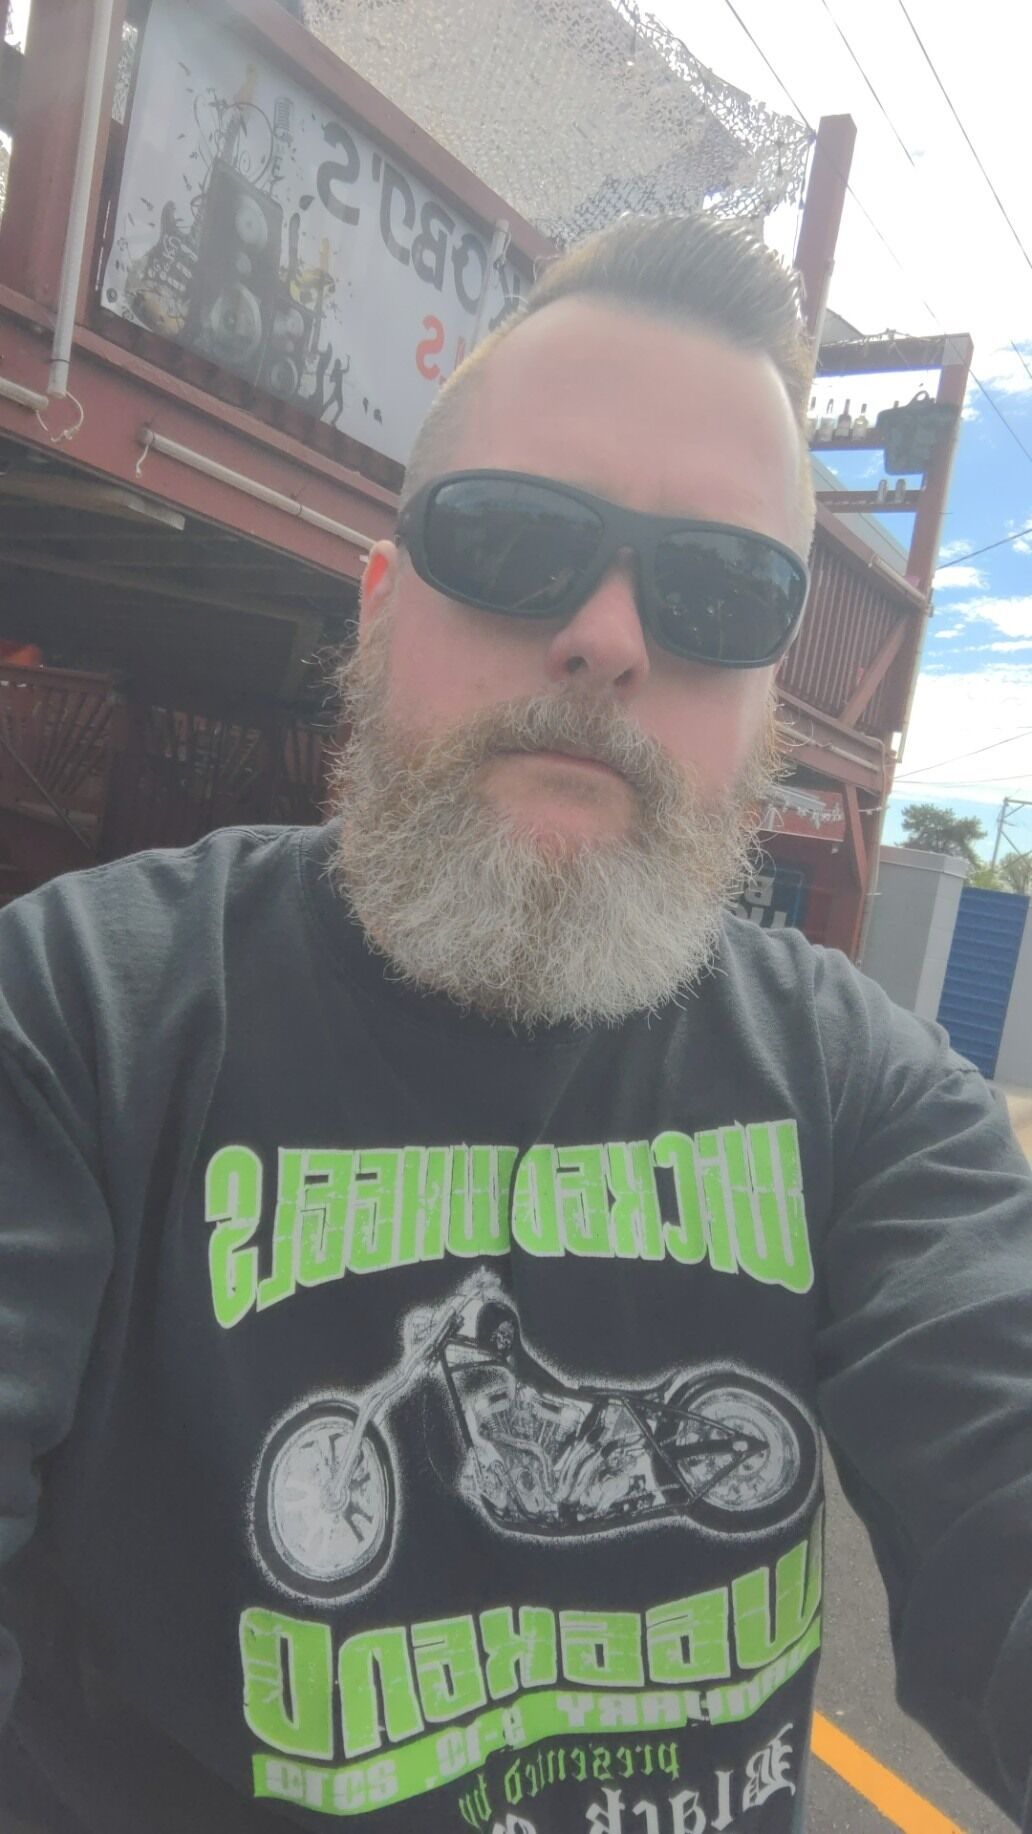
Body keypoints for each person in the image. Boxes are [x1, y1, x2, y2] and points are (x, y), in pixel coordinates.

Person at [0, 212, 1029, 1834]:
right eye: (510, 537)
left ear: (766, 711)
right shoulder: (75, 1015)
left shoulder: (868, 1095)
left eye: (716, 589)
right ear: (378, 607)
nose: (609, 636)